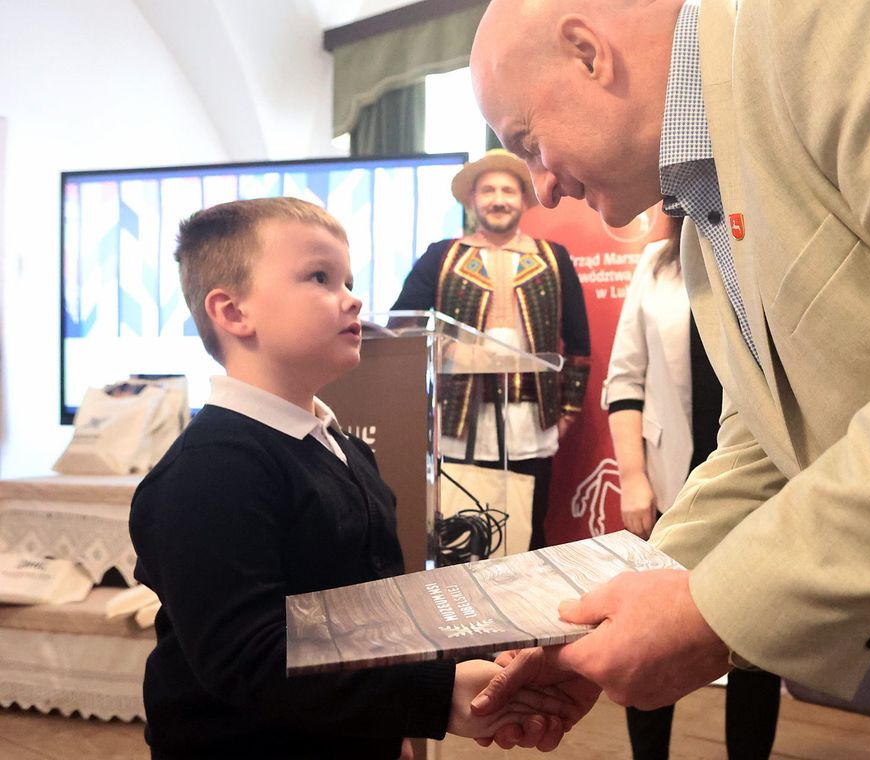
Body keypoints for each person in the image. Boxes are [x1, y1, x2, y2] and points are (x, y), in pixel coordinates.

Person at [465, 1, 870, 759]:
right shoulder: (708, 208)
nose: (539, 187)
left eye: (527, 143)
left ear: (589, 52)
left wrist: (713, 614)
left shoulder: (855, 18)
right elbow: (772, 438)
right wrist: (609, 612)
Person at [129, 197, 583, 759]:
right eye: (320, 277)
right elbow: (253, 659)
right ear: (233, 311)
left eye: (348, 278)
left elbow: (375, 610)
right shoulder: (210, 472)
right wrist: (439, 699)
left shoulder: (342, 448)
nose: (355, 298)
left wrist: (400, 723)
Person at [604, 218, 781, 759]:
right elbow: (624, 380)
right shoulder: (656, 261)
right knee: (651, 632)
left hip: (760, 478)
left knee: (756, 642)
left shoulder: (765, 247)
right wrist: (633, 478)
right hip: (668, 480)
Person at [391, 149, 590, 550]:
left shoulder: (553, 258)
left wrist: (566, 411)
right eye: (488, 191)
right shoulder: (443, 257)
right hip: (460, 419)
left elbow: (580, 345)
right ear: (472, 200)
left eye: (508, 190)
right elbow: (402, 326)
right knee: (463, 533)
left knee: (529, 527)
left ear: (523, 199)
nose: (498, 199)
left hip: (531, 418)